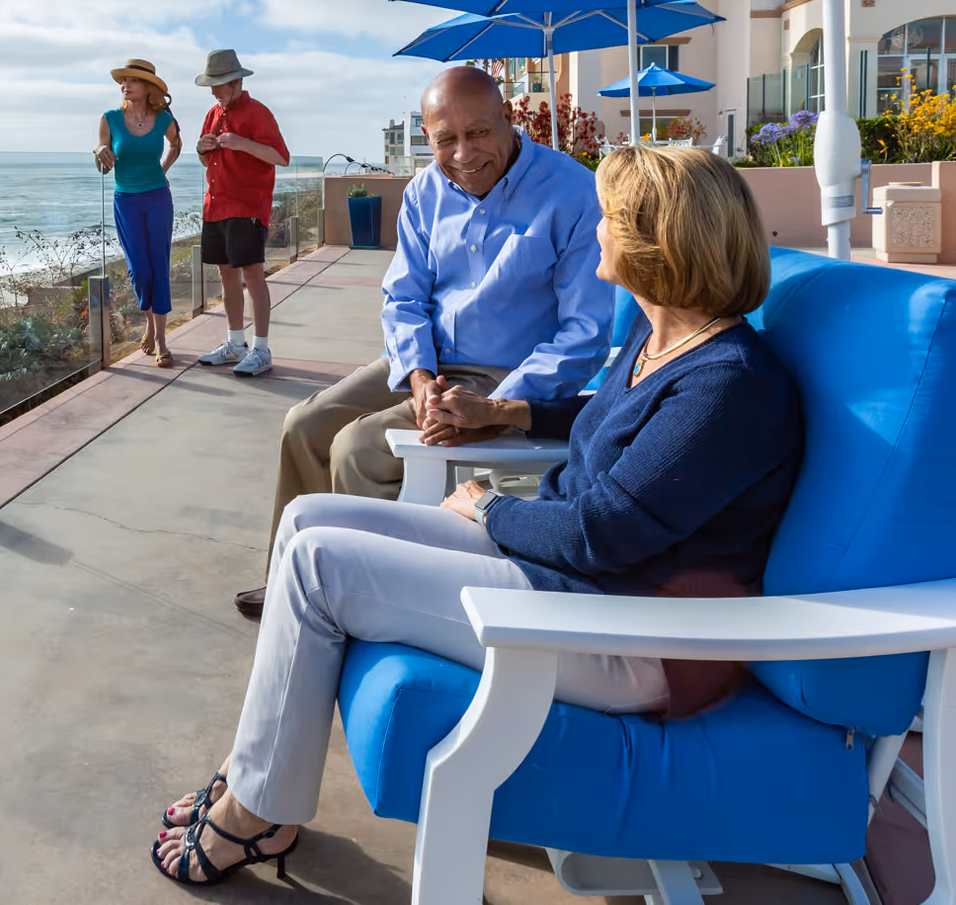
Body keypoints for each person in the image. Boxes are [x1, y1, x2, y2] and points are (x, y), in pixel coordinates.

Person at [151, 145, 802, 886]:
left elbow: (603, 534)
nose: (596, 228)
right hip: (566, 584)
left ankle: (257, 809)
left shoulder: (730, 387)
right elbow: (614, 419)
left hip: (629, 633)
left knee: (317, 566)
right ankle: (254, 773)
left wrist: (491, 506)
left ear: (656, 242)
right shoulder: (668, 341)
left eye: (610, 217)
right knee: (305, 519)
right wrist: (506, 410)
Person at [234, 64, 613, 620]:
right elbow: (404, 298)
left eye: (479, 133)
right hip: (426, 361)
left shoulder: (573, 192)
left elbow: (584, 334)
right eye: (445, 140)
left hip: (507, 375)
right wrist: (416, 375)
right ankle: (292, 575)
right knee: (304, 425)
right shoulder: (424, 193)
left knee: (358, 448)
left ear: (507, 120)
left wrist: (494, 408)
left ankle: (366, 602)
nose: (463, 153)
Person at [193, 49, 289, 378]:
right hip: (216, 204)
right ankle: (236, 344)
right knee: (226, 274)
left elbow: (280, 156)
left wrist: (241, 143)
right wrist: (203, 150)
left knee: (253, 275)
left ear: (236, 81)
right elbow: (211, 162)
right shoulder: (212, 113)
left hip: (248, 206)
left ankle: (261, 350)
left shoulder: (258, 112)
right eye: (212, 85)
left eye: (219, 84)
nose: (215, 91)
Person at [96, 59, 183, 366]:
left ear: (148, 88)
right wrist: (99, 151)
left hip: (158, 197)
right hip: (127, 201)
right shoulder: (110, 119)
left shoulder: (162, 119)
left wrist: (163, 168)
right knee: (139, 270)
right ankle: (150, 322)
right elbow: (102, 156)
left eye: (133, 80)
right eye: (124, 80)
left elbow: (176, 144)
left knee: (159, 266)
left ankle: (161, 341)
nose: (125, 85)